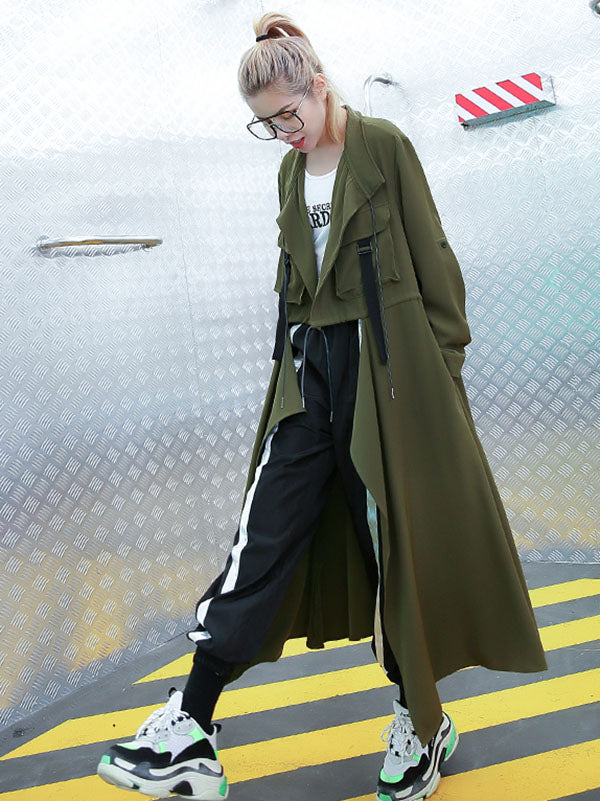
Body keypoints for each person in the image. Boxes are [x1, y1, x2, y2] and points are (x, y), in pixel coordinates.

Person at [97, 11, 548, 801]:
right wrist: (291, 375)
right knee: (262, 531)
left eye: (288, 113)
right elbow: (296, 285)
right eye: (268, 124)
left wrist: (437, 378)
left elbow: (436, 262)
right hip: (311, 373)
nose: (284, 132)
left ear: (317, 83)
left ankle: (422, 719)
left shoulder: (383, 147)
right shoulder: (289, 173)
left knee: (390, 546)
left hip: (390, 376)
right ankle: (191, 723)